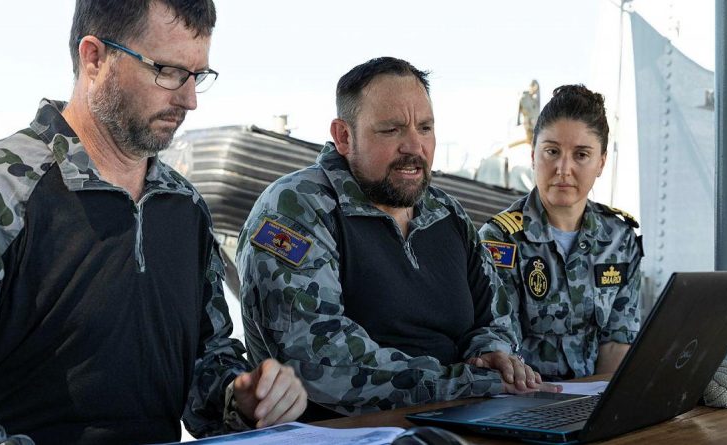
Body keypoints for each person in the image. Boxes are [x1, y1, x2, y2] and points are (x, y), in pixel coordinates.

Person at [0, 1, 305, 444]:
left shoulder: (184, 206)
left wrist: (243, 398)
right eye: (168, 71)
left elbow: (206, 360)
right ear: (94, 58)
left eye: (198, 75)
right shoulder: (8, 187)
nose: (189, 99)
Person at [236, 57, 555, 419]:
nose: (414, 146)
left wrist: (493, 353)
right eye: (392, 130)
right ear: (343, 136)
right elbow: (320, 359)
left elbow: (495, 313)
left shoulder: (446, 213)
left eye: (425, 128)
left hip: (463, 421)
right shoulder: (297, 208)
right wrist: (468, 382)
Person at [480, 84, 643, 380]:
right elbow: (499, 343)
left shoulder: (620, 239)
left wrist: (599, 409)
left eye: (581, 155)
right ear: (533, 155)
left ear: (601, 163)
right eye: (551, 151)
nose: (563, 168)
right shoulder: (500, 239)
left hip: (595, 402)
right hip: (523, 401)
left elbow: (618, 341)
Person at [517, 80, 541, 145]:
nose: (535, 90)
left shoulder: (534, 101)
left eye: (536, 88)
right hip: (526, 126)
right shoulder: (524, 96)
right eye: (534, 87)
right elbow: (521, 110)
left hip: (533, 127)